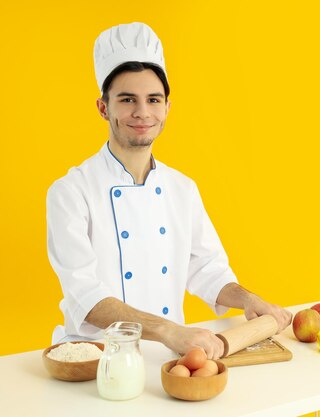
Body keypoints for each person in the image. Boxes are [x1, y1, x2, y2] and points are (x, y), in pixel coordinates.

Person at [46, 22, 292, 359]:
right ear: (103, 108)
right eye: (127, 99)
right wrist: (166, 330)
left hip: (173, 355)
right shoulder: (70, 192)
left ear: (167, 109)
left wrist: (248, 300)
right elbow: (85, 296)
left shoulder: (182, 189)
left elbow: (208, 269)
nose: (142, 112)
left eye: (153, 99)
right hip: (97, 359)